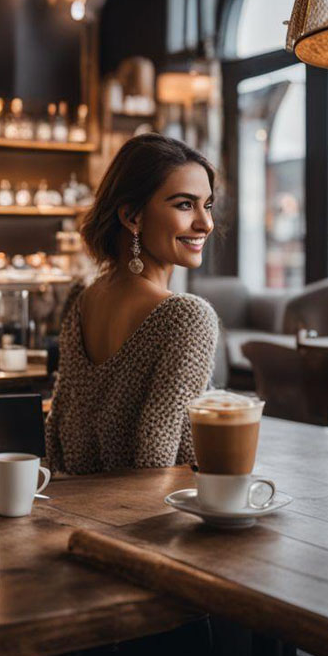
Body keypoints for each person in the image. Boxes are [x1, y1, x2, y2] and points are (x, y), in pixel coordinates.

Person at [45, 133, 219, 474]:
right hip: (150, 519)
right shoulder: (186, 317)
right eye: (185, 205)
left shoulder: (80, 299)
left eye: (207, 205)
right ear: (132, 217)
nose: (205, 223)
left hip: (75, 511)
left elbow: (56, 432)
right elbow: (154, 458)